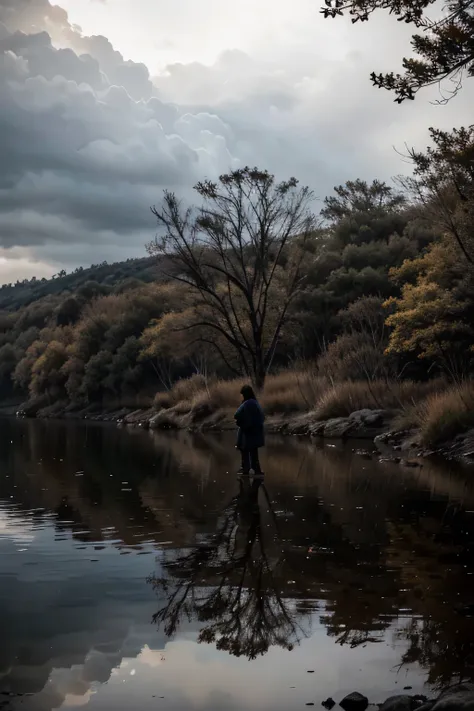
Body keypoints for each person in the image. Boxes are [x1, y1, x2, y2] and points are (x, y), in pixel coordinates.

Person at [234, 384, 265, 476]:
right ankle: (256, 470)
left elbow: (236, 415)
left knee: (245, 451)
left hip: (247, 432)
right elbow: (262, 417)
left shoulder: (247, 403)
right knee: (254, 452)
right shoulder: (255, 403)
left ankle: (245, 469)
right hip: (256, 431)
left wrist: (243, 423)